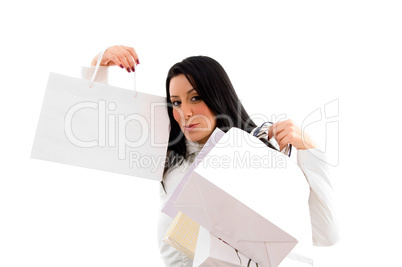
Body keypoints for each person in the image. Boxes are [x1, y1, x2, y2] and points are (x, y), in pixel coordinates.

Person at [84, 45, 339, 266]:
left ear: (218, 96)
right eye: (176, 102)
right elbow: (95, 131)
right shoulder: (168, 157)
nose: (185, 112)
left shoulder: (261, 151)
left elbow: (325, 232)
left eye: (195, 97)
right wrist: (98, 65)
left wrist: (309, 149)